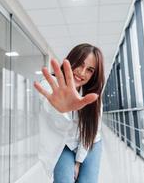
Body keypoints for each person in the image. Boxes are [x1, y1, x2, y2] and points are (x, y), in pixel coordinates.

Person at [34, 43, 105, 183]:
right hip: (64, 142)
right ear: (71, 60)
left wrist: (78, 162)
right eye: (80, 64)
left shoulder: (93, 97)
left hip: (90, 141)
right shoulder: (50, 84)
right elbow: (49, 106)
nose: (82, 72)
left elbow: (91, 131)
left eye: (90, 70)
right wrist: (62, 109)